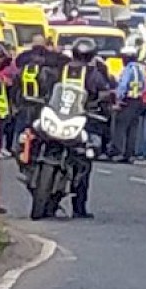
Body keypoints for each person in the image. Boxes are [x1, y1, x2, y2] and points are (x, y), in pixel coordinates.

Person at [60, 38, 110, 219]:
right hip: (71, 118)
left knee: (84, 157)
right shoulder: (94, 74)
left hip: (71, 117)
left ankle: (79, 205)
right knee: (85, 161)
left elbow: (47, 87)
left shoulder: (61, 69)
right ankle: (78, 207)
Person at [113, 46, 146, 163]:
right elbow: (145, 85)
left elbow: (123, 86)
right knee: (133, 127)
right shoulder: (140, 69)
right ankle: (130, 153)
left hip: (127, 100)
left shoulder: (128, 69)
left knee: (121, 127)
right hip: (138, 100)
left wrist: (118, 99)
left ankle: (119, 152)